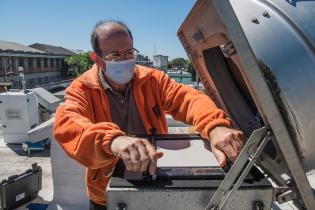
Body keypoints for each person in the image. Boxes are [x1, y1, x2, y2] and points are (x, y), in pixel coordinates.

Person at [53, 20, 245, 210]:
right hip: (106, 192)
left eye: (129, 53)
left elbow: (188, 98)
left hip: (155, 179)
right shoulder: (82, 89)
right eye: (115, 56)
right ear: (97, 59)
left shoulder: (153, 79)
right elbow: (68, 121)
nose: (125, 59)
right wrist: (113, 141)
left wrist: (215, 126)